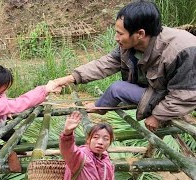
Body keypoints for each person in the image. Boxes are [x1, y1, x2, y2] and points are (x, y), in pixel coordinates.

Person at [54, 0, 196, 132]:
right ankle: (100, 106)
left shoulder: (181, 51)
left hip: (174, 95)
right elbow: (105, 63)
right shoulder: (130, 45)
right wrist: (70, 78)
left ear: (140, 33)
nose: (116, 38)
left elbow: (185, 95)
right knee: (117, 88)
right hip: (156, 89)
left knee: (117, 88)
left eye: (120, 33)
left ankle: (99, 107)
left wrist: (158, 116)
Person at [0, 64, 60, 172]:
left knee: (15, 138)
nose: (6, 89)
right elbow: (17, 104)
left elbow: (3, 103)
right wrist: (44, 90)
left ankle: (18, 150)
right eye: (5, 87)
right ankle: (8, 154)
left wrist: (3, 111)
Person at [60, 111, 114, 180]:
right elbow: (68, 150)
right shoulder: (80, 157)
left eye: (106, 139)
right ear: (88, 140)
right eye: (96, 137)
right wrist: (67, 134)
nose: (100, 142)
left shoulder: (107, 161)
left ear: (110, 142)